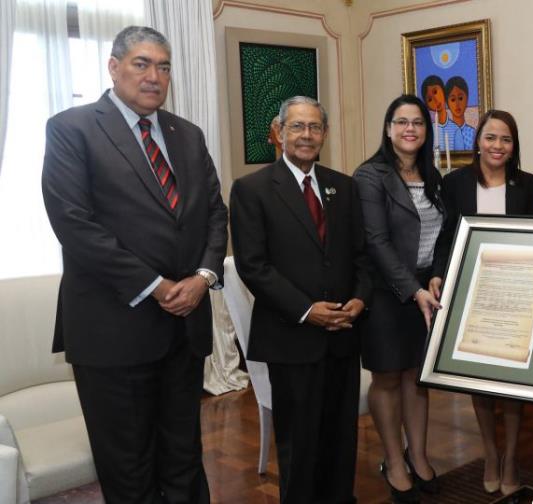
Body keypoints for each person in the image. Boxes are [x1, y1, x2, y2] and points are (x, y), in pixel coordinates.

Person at [41, 26, 227, 503]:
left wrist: (203, 278)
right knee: (129, 467)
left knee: (183, 454)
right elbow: (74, 224)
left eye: (163, 66)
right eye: (142, 64)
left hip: (183, 327)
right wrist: (158, 286)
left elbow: (214, 212)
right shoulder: (71, 128)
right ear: (114, 67)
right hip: (112, 328)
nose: (154, 76)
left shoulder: (187, 134)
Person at [230, 96, 371, 503]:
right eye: (297, 127)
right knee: (300, 444)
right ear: (278, 133)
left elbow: (360, 256)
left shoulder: (343, 186)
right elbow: (253, 267)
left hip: (343, 335)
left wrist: (360, 300)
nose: (306, 135)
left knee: (341, 438)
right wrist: (308, 311)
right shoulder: (251, 189)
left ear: (325, 134)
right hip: (291, 338)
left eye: (314, 127)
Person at [431, 109, 533, 496]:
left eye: (506, 139)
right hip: (471, 293)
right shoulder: (455, 183)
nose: (498, 146)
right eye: (491, 137)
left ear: (514, 146)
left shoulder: (526, 183)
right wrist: (437, 273)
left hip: (516, 294)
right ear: (478, 141)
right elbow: (445, 236)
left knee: (512, 382)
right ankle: (491, 453)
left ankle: (511, 456)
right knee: (480, 383)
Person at [353, 95, 445, 503]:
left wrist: (437, 275)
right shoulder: (370, 176)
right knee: (389, 376)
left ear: (426, 131)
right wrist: (413, 289)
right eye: (402, 122)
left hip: (426, 288)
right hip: (387, 293)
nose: (411, 129)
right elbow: (376, 241)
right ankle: (393, 461)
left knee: (417, 376)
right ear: (388, 128)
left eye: (418, 123)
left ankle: (418, 456)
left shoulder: (434, 175)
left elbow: (445, 234)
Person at [445, 76, 476, 150]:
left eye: (460, 98)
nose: (457, 104)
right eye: (453, 99)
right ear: (447, 103)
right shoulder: (446, 133)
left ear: (467, 99)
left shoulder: (473, 133)